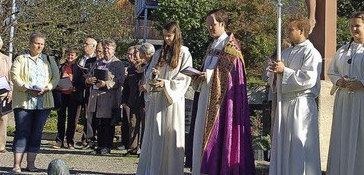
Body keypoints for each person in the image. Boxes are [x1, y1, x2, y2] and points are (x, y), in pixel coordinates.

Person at [190, 9, 255, 175]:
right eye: (208, 25)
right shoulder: (212, 45)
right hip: (206, 95)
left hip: (222, 104)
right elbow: (208, 68)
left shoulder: (231, 48)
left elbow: (230, 76)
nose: (210, 28)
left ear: (223, 24)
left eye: (213, 24)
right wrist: (197, 76)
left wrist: (209, 75)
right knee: (199, 136)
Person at [326, 12, 364, 174]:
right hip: (344, 102)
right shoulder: (343, 50)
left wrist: (362, 84)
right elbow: (332, 72)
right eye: (351, 26)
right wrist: (340, 81)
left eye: (357, 25)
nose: (354, 29)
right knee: (343, 138)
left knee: (361, 139)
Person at [268, 16, 322, 175]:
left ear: (302, 31)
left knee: (300, 146)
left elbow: (308, 79)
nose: (288, 32)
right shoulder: (285, 51)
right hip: (284, 104)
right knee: (283, 146)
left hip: (301, 105)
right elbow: (275, 79)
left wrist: (284, 71)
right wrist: (275, 74)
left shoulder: (311, 53)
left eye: (291, 29)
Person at [137, 22, 192, 175]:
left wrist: (166, 84)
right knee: (156, 135)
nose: (167, 39)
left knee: (169, 136)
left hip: (171, 102)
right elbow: (149, 76)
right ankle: (153, 170)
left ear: (176, 35)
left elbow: (184, 79)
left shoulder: (184, 54)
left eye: (169, 35)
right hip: (157, 100)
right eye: (165, 35)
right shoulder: (158, 53)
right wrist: (154, 75)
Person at [10, 32, 60, 173]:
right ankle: (17, 164)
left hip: (43, 101)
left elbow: (56, 77)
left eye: (42, 44)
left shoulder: (49, 60)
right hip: (24, 102)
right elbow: (14, 76)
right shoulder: (20, 59)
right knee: (22, 131)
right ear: (30, 43)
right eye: (37, 43)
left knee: (36, 132)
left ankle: (31, 164)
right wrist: (26, 89)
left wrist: (48, 87)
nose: (39, 46)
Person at [86, 40, 125, 155]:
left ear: (113, 50)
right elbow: (89, 75)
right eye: (105, 48)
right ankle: (99, 146)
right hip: (97, 98)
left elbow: (120, 81)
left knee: (108, 123)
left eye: (109, 48)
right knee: (99, 123)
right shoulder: (98, 62)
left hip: (109, 97)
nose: (106, 51)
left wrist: (106, 84)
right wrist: (89, 80)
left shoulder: (118, 64)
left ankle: (106, 146)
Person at [53, 48, 84, 149]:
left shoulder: (79, 69)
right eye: (68, 55)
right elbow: (55, 79)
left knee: (72, 119)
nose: (70, 57)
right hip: (62, 94)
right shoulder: (61, 67)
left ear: (76, 57)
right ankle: (59, 140)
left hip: (73, 96)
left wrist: (76, 88)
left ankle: (70, 141)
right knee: (61, 119)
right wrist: (57, 86)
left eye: (72, 55)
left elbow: (82, 83)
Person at [123, 45, 145, 156]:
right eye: (135, 52)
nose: (135, 54)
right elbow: (126, 86)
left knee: (145, 125)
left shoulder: (147, 67)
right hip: (133, 100)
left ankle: (144, 148)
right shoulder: (131, 69)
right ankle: (132, 148)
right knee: (133, 124)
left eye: (137, 52)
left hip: (144, 100)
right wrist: (124, 100)